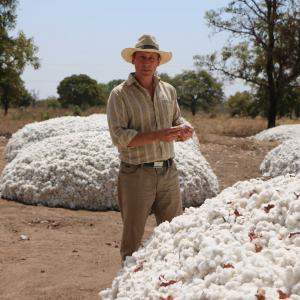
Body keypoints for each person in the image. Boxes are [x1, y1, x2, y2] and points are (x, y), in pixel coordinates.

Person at [107, 34, 194, 261]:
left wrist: (184, 129)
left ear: (158, 62)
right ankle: (127, 288)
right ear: (133, 60)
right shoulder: (120, 94)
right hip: (137, 173)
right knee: (133, 238)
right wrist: (157, 135)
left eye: (151, 58)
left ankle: (169, 284)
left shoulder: (169, 90)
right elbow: (119, 136)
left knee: (174, 233)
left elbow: (176, 119)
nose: (147, 63)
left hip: (167, 171)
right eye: (142, 58)